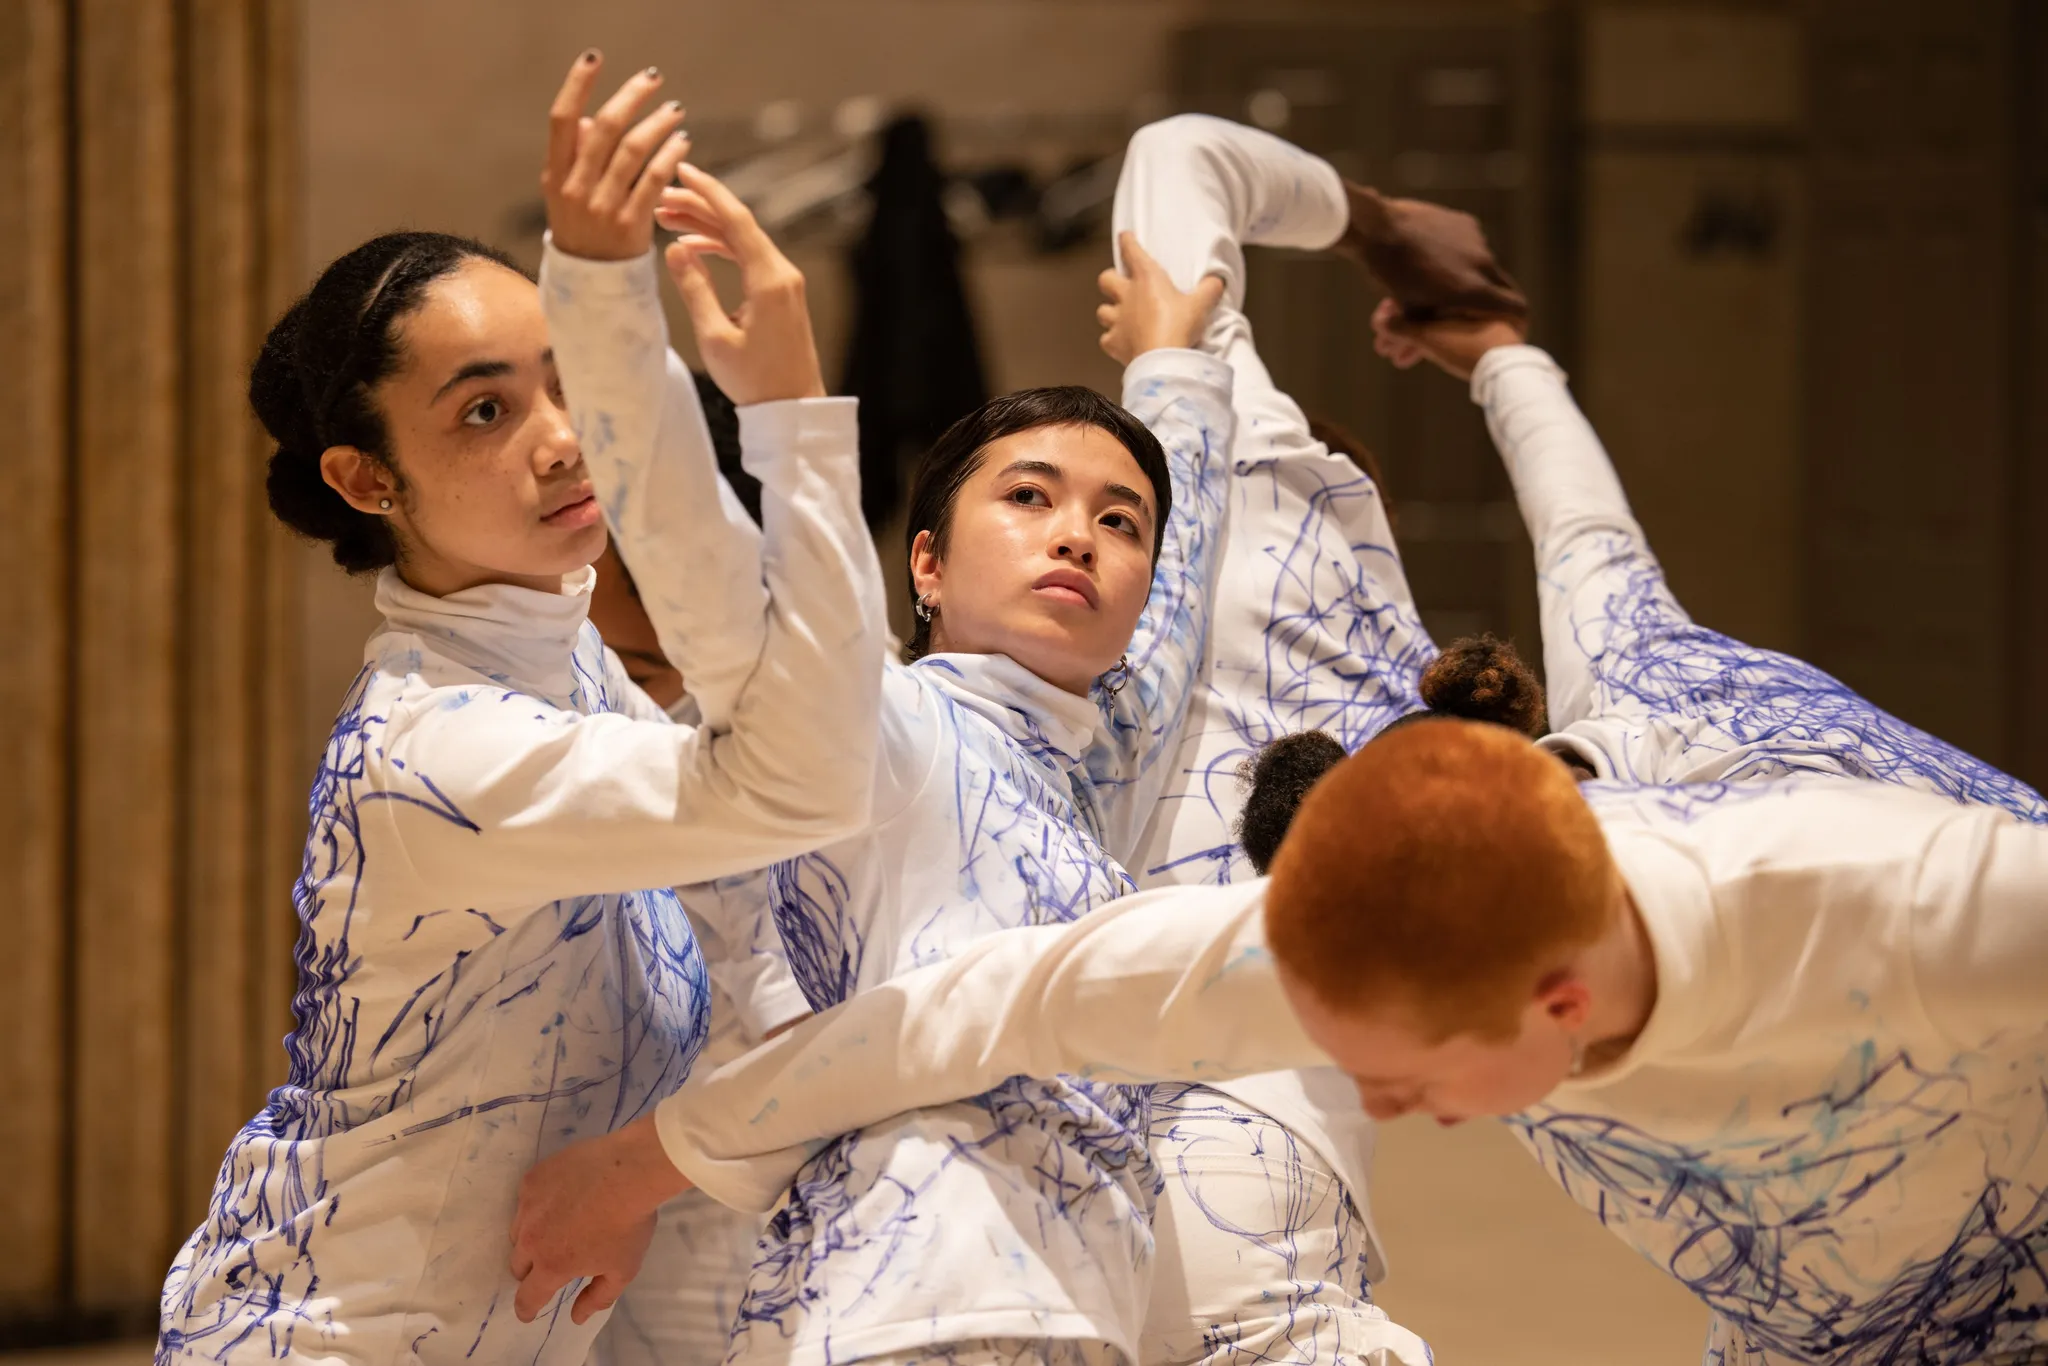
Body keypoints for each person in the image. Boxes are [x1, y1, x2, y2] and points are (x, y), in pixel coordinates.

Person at [157, 53, 884, 1365]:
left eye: (568, 379)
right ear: (364, 479)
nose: (559, 436)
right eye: (486, 408)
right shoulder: (437, 749)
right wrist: (787, 417)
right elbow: (804, 782)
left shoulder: (583, 672)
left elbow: (803, 863)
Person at [517, 158, 1238, 1363]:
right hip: (908, 1310)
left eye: (1119, 523)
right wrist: (652, 321)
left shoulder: (1088, 755)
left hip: (1073, 1318)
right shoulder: (877, 725)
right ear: (927, 568)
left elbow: (1187, 564)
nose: (1079, 533)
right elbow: (703, 558)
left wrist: (1176, 365)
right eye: (1029, 497)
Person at [1099, 114, 1446, 1366]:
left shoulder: (1244, 508)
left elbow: (1183, 157)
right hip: (1235, 1142)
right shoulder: (1383, 679)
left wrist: (1383, 233)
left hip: (1203, 1138)